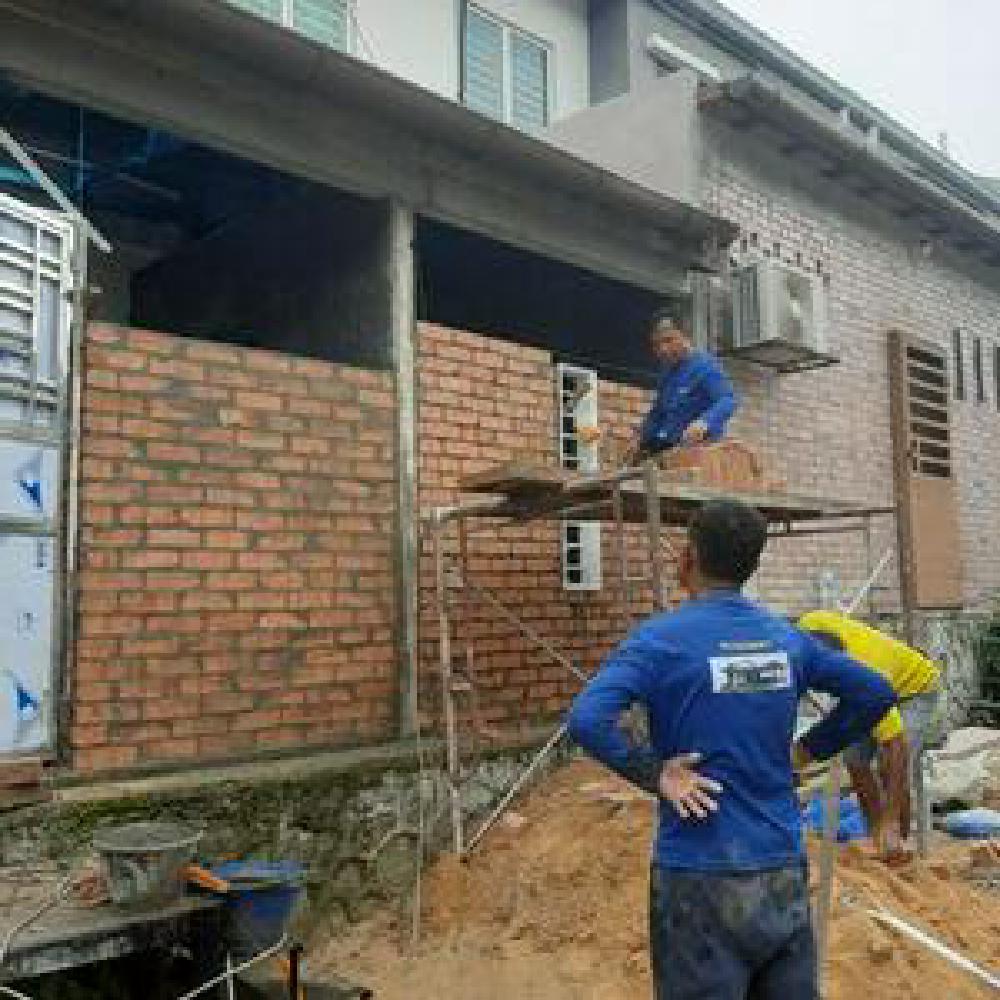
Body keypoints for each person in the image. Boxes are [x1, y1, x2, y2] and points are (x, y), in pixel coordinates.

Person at [567, 499, 896, 1000]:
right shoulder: (789, 640)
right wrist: (806, 752)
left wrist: (657, 775)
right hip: (780, 870)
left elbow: (588, 719)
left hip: (697, 879)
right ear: (753, 565)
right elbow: (874, 693)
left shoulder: (658, 641)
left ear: (687, 557)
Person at [794, 611, 942, 854]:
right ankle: (876, 837)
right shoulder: (804, 631)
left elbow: (896, 745)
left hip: (915, 690)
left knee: (887, 766)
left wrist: (891, 818)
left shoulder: (869, 678)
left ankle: (897, 839)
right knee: (854, 759)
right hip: (862, 689)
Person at [629, 310, 738, 463]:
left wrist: (704, 423)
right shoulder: (667, 374)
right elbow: (659, 413)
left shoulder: (705, 366)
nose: (663, 349)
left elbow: (728, 400)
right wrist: (640, 436)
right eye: (656, 344)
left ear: (685, 336)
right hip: (670, 454)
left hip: (701, 455)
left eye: (668, 340)